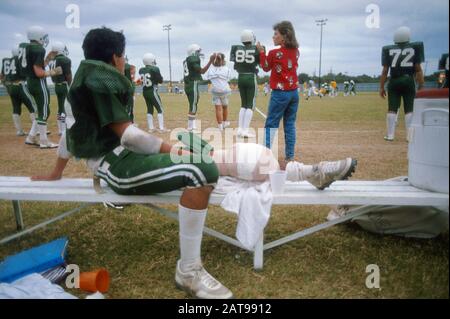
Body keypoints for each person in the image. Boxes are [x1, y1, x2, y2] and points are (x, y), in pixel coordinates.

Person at [31, 27, 233, 299]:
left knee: (200, 161)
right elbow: (129, 136)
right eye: (123, 56)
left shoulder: (85, 78)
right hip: (116, 166)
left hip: (121, 159)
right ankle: (188, 270)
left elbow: (72, 133)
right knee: (201, 168)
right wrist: (174, 151)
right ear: (115, 57)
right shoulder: (97, 82)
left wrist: (56, 172)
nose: (125, 62)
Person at [256, 21, 300, 168]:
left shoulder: (274, 53)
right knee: (289, 125)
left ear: (284, 36)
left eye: (276, 34)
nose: (273, 36)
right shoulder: (296, 51)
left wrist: (262, 52)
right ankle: (290, 157)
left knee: (271, 124)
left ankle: (266, 156)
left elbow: (266, 67)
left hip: (280, 94)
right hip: (294, 93)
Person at [20, 26, 62, 149]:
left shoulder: (26, 47)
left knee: (44, 111)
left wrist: (48, 58)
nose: (45, 39)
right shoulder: (38, 49)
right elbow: (39, 72)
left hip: (29, 82)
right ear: (38, 36)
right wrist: (53, 72)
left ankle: (31, 137)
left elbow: (37, 66)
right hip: (38, 83)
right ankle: (44, 141)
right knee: (43, 112)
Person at [380, 26, 425, 142]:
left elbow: (385, 71)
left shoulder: (388, 49)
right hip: (408, 80)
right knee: (409, 108)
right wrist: (421, 84)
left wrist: (381, 87)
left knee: (392, 108)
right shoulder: (414, 48)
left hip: (394, 80)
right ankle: (409, 137)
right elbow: (418, 69)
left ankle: (390, 135)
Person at [230, 30, 260, 138]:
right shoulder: (255, 48)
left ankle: (240, 129)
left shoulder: (236, 48)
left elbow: (235, 66)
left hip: (240, 77)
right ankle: (245, 130)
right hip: (250, 77)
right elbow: (260, 64)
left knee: (243, 104)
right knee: (250, 105)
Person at [1, 48, 36, 136]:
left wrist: (6, 84)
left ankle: (19, 131)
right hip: (20, 85)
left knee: (16, 108)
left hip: (10, 87)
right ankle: (36, 129)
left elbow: (2, 76)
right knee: (32, 107)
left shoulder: (5, 61)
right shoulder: (20, 60)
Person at [183, 44, 214, 132]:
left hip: (188, 85)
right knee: (193, 106)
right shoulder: (193, 59)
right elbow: (202, 71)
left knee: (192, 105)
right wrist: (210, 61)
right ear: (193, 52)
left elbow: (196, 77)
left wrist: (208, 81)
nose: (199, 54)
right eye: (197, 52)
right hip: (192, 86)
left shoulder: (186, 60)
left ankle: (193, 125)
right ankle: (190, 128)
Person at [138, 53, 169, 132]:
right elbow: (160, 80)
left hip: (145, 91)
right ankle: (161, 128)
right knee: (160, 109)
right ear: (151, 60)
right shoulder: (155, 69)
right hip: (152, 91)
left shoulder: (141, 70)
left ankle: (151, 128)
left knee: (149, 109)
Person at [48, 42, 72, 136]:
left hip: (57, 85)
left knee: (60, 107)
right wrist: (71, 86)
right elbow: (68, 75)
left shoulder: (52, 60)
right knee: (64, 108)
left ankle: (60, 129)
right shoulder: (65, 59)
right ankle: (62, 130)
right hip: (64, 85)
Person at [205, 53, 232, 130]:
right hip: (225, 91)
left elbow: (209, 78)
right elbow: (228, 79)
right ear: (223, 60)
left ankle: (220, 126)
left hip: (215, 91)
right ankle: (224, 123)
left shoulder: (211, 70)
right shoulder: (227, 69)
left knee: (218, 108)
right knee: (225, 107)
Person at [124, 58, 136, 123]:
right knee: (129, 108)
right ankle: (129, 122)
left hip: (124, 91)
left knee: (129, 108)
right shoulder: (129, 79)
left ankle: (131, 121)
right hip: (129, 93)